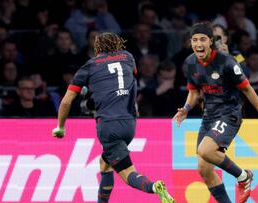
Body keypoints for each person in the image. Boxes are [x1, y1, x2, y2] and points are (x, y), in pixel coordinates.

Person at [51, 32, 174, 203]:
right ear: (118, 45)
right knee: (105, 163)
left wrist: (60, 127)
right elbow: (125, 79)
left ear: (97, 48)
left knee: (128, 173)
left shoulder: (89, 65)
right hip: (130, 124)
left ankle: (154, 187)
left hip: (109, 126)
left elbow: (66, 102)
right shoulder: (129, 58)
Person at [173, 22, 258, 203]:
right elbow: (194, 92)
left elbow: (248, 89)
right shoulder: (190, 62)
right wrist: (186, 109)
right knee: (204, 169)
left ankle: (243, 176)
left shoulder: (227, 62)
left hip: (230, 114)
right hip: (208, 116)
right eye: (195, 40)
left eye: (203, 39)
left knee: (205, 150)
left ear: (211, 41)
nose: (198, 44)